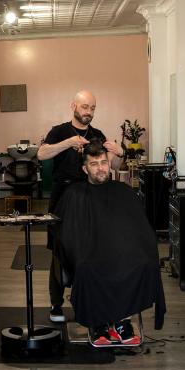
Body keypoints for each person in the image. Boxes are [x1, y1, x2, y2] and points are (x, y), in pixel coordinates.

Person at [57, 141, 166, 346]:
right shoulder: (75, 194)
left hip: (120, 253)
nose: (100, 168)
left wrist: (142, 250)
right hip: (89, 253)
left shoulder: (123, 191)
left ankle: (122, 321)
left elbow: (139, 229)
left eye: (104, 162)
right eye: (94, 163)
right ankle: (98, 323)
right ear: (85, 168)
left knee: (143, 263)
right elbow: (69, 235)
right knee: (87, 267)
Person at [37, 90, 123, 322]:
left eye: (93, 108)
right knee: (59, 250)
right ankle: (56, 304)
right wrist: (68, 143)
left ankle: (87, 298)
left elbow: (112, 165)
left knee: (91, 250)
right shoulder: (60, 131)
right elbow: (42, 154)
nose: (89, 112)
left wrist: (119, 153)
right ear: (73, 106)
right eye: (85, 107)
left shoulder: (97, 134)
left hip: (91, 198)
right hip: (63, 197)